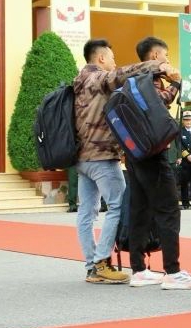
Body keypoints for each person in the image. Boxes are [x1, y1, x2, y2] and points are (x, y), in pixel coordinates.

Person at [73, 38, 183, 286]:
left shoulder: (78, 81)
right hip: (102, 155)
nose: (114, 63)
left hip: (81, 158)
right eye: (111, 58)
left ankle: (92, 265)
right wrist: (157, 67)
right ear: (101, 59)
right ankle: (101, 262)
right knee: (118, 206)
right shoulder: (99, 78)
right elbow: (124, 73)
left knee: (86, 212)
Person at [126, 36, 191, 288]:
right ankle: (173, 271)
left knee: (139, 208)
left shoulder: (131, 80)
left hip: (135, 153)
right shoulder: (151, 79)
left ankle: (138, 269)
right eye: (166, 55)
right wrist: (177, 83)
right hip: (153, 154)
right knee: (169, 208)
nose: (168, 60)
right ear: (155, 56)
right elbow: (160, 103)